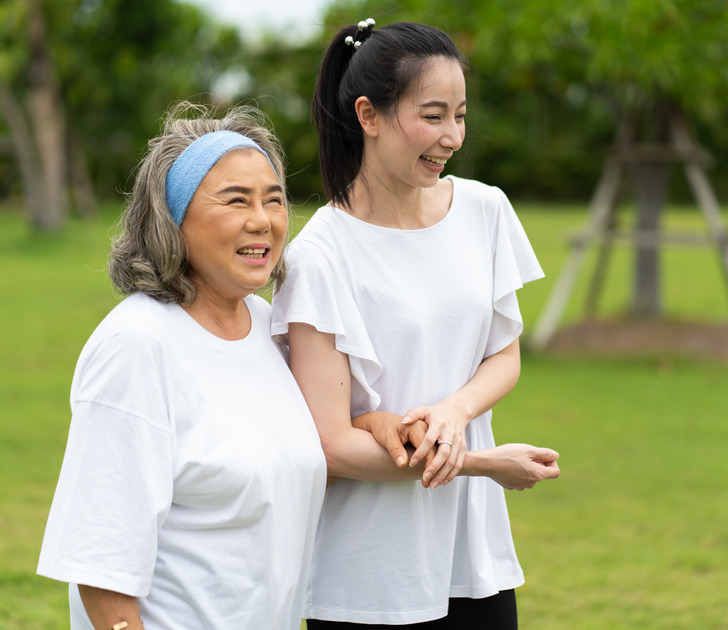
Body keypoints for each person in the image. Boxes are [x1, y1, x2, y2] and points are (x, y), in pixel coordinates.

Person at [271, 20, 560, 629]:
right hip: (369, 575)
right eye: (432, 116)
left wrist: (454, 414)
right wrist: (482, 461)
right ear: (368, 115)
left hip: (473, 555)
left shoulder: (485, 210)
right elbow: (331, 444)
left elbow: (502, 355)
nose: (452, 136)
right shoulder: (320, 255)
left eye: (459, 114)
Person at [37, 102, 327, 630]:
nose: (261, 220)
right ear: (173, 218)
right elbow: (102, 564)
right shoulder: (137, 345)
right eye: (236, 200)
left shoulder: (269, 327)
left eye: (274, 199)